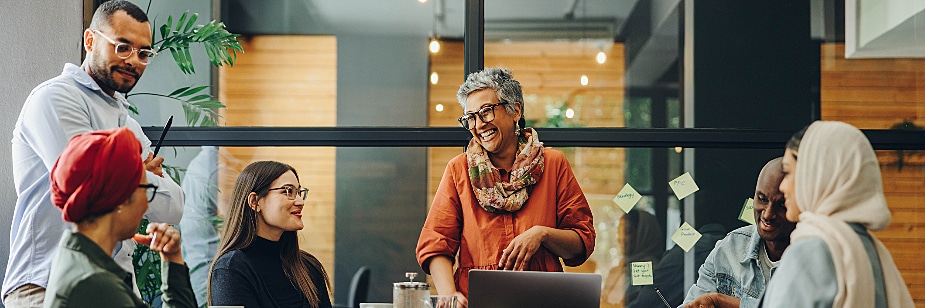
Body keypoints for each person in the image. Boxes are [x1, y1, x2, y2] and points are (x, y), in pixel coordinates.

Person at [4, 1, 184, 306]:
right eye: (123, 47)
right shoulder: (55, 98)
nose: (133, 61)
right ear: (90, 40)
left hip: (114, 283)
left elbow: (174, 207)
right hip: (46, 284)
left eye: (143, 53)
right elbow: (88, 183)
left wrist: (130, 176)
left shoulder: (128, 123)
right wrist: (141, 173)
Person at [415, 68, 596, 308]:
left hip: (543, 300)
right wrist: (449, 295)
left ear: (515, 111)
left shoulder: (554, 164)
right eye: (471, 117)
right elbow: (436, 244)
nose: (479, 124)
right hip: (476, 302)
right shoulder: (458, 170)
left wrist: (542, 234)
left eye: (486, 111)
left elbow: (582, 241)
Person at [761, 121, 914, 307]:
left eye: (788, 172)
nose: (783, 186)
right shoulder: (872, 252)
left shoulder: (810, 252)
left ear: (815, 175)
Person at [43, 127, 195, 307]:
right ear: (121, 199)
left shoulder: (77, 263)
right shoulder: (97, 285)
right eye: (146, 190)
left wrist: (172, 258)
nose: (146, 205)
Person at [208, 161, 332, 308]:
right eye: (288, 191)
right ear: (255, 201)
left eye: (299, 192)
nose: (300, 201)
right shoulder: (231, 269)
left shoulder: (309, 266)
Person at [682, 157, 795, 308]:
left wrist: (721, 302)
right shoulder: (729, 249)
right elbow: (693, 303)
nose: (768, 214)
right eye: (762, 199)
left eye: (781, 205)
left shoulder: (813, 259)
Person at [626, 223, 726, 308]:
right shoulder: (724, 249)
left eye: (627, 231)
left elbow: (646, 301)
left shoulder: (682, 255)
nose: (620, 236)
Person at [601, 209, 664, 308]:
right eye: (619, 232)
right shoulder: (617, 270)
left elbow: (639, 303)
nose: (620, 238)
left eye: (627, 232)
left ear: (644, 233)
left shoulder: (649, 270)